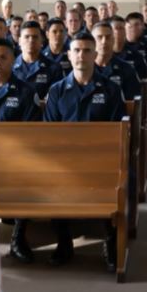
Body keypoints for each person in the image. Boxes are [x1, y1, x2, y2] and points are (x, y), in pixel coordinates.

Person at [43, 32, 125, 269]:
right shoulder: (57, 90)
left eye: (87, 51)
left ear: (95, 54)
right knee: (51, 179)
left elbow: (117, 132)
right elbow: (49, 133)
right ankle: (64, 242)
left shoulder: (110, 90)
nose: (81, 55)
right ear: (69, 55)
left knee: (115, 180)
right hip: (65, 160)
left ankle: (111, 241)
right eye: (77, 50)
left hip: (101, 160)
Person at [0, 38, 40, 263]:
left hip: (15, 161)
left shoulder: (26, 92)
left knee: (29, 176)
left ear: (13, 60)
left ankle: (18, 238)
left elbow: (33, 134)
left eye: (4, 57)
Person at [13, 20, 63, 101]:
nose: (31, 40)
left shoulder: (54, 68)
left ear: (41, 41)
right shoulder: (9, 67)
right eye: (27, 37)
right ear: (19, 41)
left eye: (35, 37)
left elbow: (56, 99)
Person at [93, 22, 140, 100]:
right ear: (92, 42)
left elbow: (133, 101)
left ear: (113, 40)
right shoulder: (84, 69)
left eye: (108, 37)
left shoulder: (126, 69)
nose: (104, 41)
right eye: (99, 37)